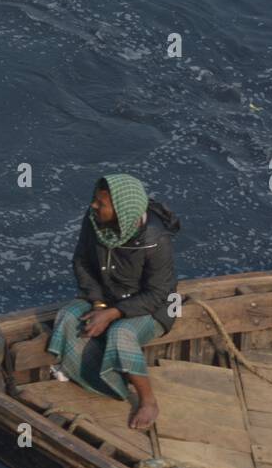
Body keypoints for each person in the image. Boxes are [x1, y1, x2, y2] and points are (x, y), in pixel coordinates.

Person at [46, 173, 181, 429]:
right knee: (68, 316)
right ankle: (106, 379)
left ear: (121, 210)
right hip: (106, 298)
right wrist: (98, 305)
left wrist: (113, 314)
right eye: (95, 200)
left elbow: (158, 294)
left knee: (121, 334)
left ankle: (148, 400)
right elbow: (81, 262)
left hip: (152, 308)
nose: (93, 206)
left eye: (101, 203)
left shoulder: (155, 240)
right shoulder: (94, 221)